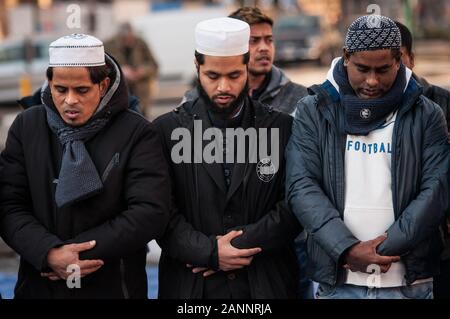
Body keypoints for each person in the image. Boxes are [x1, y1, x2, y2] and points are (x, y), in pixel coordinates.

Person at [286, 15, 450, 299]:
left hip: (409, 284)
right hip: (339, 282)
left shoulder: (427, 113)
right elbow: (302, 186)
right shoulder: (313, 110)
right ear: (346, 57)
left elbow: (436, 189)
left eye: (383, 70)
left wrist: (378, 251)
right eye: (362, 69)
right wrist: (347, 250)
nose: (372, 81)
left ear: (399, 60)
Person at [0, 34, 170, 298]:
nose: (70, 101)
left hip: (114, 284)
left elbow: (149, 211)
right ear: (49, 83)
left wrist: (76, 253)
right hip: (40, 286)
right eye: (60, 90)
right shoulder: (27, 127)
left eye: (81, 90)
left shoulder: (135, 132)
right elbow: (9, 204)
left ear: (103, 85)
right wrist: (48, 252)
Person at [154, 17, 301, 299]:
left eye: (234, 76)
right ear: (197, 67)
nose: (223, 87)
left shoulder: (281, 127)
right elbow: (159, 211)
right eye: (213, 76)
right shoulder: (166, 131)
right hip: (192, 287)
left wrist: (232, 249)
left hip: (265, 284)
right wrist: (208, 252)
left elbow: (294, 205)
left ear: (247, 68)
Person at [228, 5, 311, 298]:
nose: (264, 48)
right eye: (254, 41)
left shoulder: (300, 100)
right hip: (228, 242)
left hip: (289, 241)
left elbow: (304, 177)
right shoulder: (202, 101)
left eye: (269, 40)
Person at [395, 20, 450, 300]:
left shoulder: (440, 104)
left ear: (411, 59)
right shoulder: (350, 108)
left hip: (434, 251)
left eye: (397, 57)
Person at [105, 23, 159, 118]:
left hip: (141, 94)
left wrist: (143, 71)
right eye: (125, 39)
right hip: (118, 94)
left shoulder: (141, 43)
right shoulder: (108, 45)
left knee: (142, 121)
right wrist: (120, 70)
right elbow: (102, 70)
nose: (129, 41)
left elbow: (154, 65)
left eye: (131, 38)